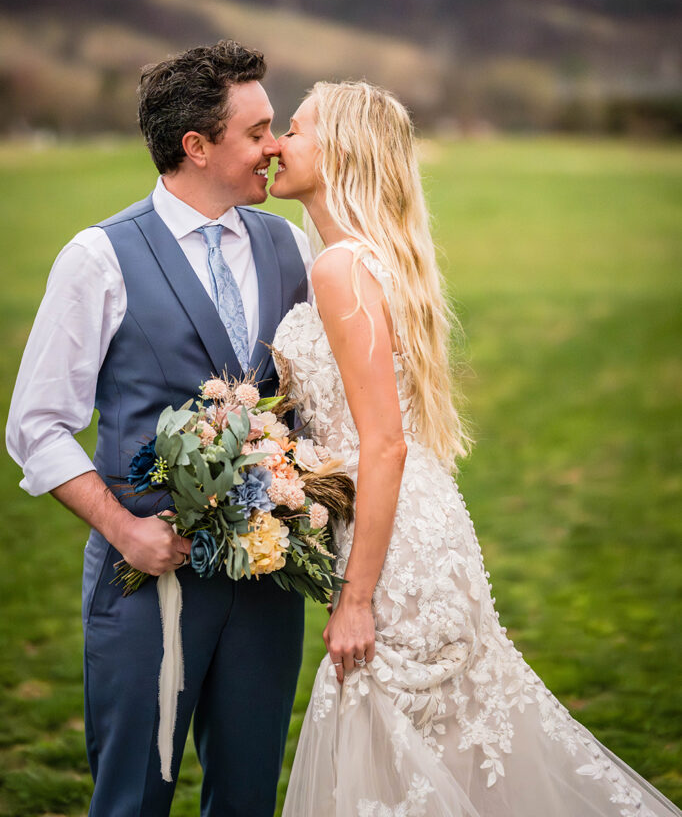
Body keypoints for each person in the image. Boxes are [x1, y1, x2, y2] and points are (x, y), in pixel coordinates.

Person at [269, 79, 681, 817]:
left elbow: (384, 445)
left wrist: (356, 598)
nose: (276, 144)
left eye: (293, 130)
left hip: (391, 549)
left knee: (391, 748)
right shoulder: (370, 257)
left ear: (339, 153)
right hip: (417, 529)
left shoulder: (341, 269)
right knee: (444, 756)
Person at [6, 40, 313, 817]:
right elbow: (36, 427)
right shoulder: (97, 258)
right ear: (197, 146)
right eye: (257, 131)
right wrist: (123, 530)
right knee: (132, 797)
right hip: (147, 577)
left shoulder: (290, 245)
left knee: (248, 798)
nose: (273, 147)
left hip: (269, 579)